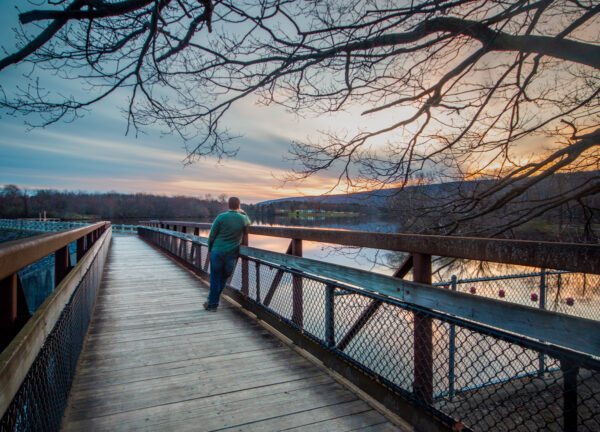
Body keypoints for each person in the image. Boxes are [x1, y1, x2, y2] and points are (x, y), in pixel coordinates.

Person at [203, 196, 251, 311]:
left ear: (228, 205)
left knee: (215, 278)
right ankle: (211, 302)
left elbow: (212, 235)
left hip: (217, 251)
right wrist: (243, 213)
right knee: (224, 278)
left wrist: (210, 249)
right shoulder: (243, 219)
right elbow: (249, 222)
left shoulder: (221, 217)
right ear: (239, 206)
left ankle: (212, 304)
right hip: (231, 253)